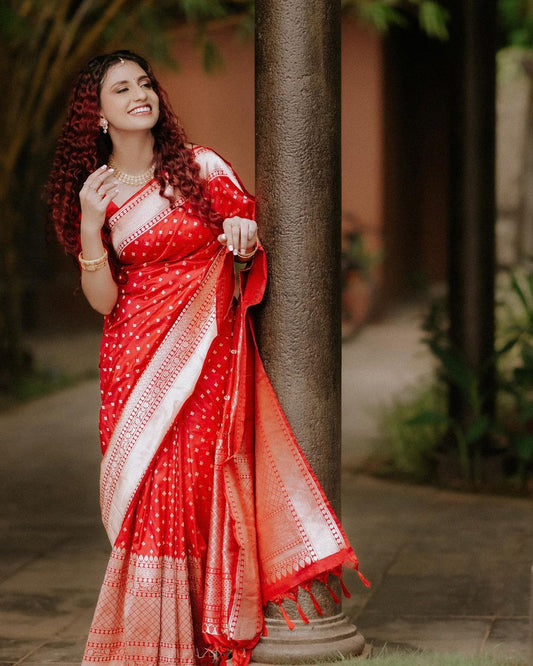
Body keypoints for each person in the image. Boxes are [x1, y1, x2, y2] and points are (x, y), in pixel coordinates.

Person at [46, 50, 367, 666]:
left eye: (145, 82)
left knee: (194, 490)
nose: (141, 94)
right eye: (121, 89)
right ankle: (149, 641)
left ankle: (197, 638)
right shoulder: (98, 195)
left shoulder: (200, 168)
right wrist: (90, 226)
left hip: (206, 358)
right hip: (135, 362)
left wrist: (243, 236)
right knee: (147, 496)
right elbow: (105, 300)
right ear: (98, 116)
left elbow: (241, 229)